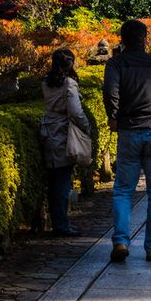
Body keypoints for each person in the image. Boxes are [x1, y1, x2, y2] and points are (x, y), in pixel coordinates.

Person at [103, 19, 151, 263]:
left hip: (129, 129)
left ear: (121, 39)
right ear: (145, 38)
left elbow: (111, 92)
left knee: (123, 189)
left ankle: (121, 241)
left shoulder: (116, 63)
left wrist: (114, 117)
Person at [41, 48, 93, 236]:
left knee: (54, 181)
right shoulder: (69, 83)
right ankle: (62, 225)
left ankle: (58, 222)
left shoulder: (47, 82)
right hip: (63, 133)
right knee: (63, 181)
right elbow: (76, 111)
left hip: (48, 130)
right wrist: (86, 127)